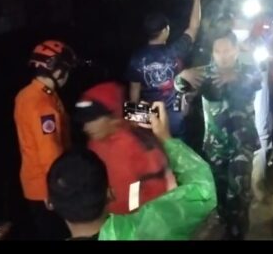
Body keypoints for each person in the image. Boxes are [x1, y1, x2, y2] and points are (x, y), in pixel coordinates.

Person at [47, 101, 217, 240]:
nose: (87, 127)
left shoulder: (128, 142)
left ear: (49, 203)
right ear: (110, 193)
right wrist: (165, 138)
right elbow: (203, 191)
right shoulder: (150, 227)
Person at [175, 30, 261, 240]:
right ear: (212, 53)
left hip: (242, 143)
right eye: (218, 51)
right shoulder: (205, 73)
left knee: (238, 192)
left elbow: (257, 79)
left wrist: (235, 77)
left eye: (228, 50)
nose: (223, 56)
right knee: (220, 193)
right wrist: (182, 76)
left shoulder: (248, 70)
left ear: (237, 50)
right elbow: (180, 85)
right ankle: (226, 224)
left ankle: (238, 232)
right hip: (215, 146)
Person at [73, 82, 177, 215]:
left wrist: (133, 218)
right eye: (85, 121)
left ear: (112, 118)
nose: (86, 128)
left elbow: (155, 190)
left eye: (93, 120)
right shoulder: (94, 145)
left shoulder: (140, 145)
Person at [13, 40, 77, 240]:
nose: (67, 76)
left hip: (35, 183)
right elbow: (49, 151)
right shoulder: (43, 105)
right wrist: (55, 190)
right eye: (66, 70)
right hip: (47, 187)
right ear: (57, 71)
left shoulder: (26, 94)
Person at [126, 0, 202, 139]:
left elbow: (134, 94)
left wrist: (134, 123)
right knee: (177, 151)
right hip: (176, 118)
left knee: (156, 151)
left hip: (152, 121)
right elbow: (194, 27)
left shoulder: (136, 57)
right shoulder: (175, 51)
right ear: (165, 30)